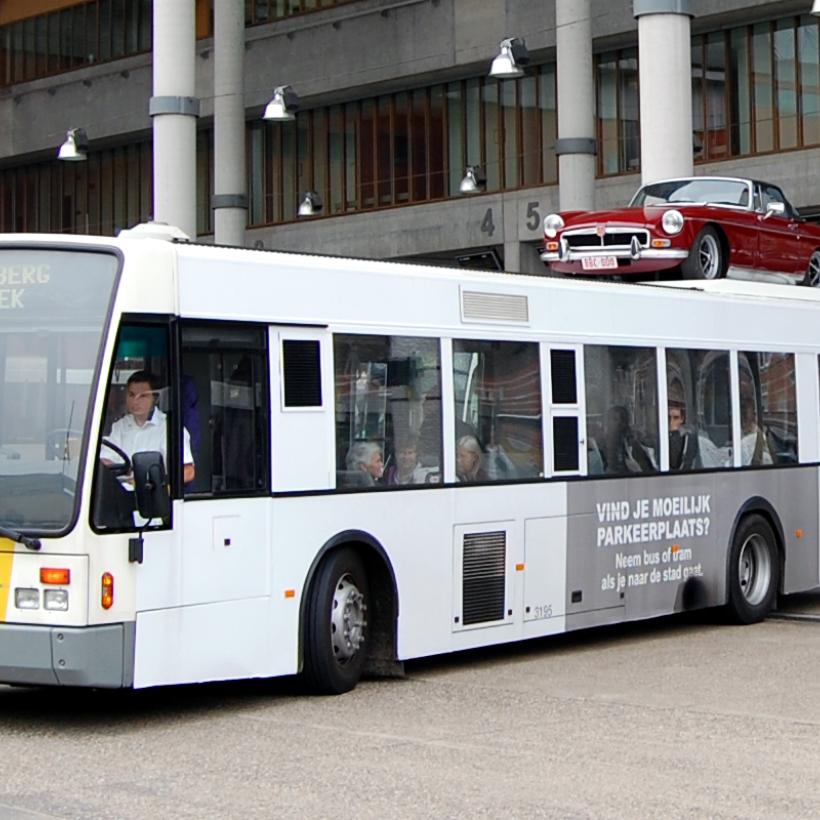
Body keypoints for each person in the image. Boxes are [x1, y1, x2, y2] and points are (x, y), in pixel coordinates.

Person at [102, 370, 195, 485]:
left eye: (143, 396)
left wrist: (150, 483)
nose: (135, 401)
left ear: (155, 398)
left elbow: (188, 472)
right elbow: (104, 460)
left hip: (150, 497)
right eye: (131, 395)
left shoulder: (169, 429)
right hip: (117, 494)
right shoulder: (120, 426)